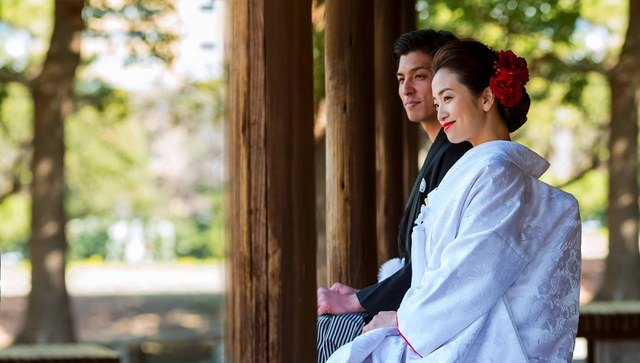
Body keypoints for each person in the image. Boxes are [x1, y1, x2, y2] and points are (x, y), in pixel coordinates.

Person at [326, 39, 582, 362]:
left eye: (448, 98)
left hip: (470, 340)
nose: (440, 110)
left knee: (331, 339)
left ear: (487, 97)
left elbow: (470, 274)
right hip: (448, 329)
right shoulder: (484, 170)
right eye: (437, 100)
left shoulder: (496, 175)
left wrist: (402, 322)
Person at [316, 30, 471, 362]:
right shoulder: (440, 151)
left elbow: (436, 265)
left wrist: (356, 302)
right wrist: (364, 295)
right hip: (416, 309)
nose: (406, 89)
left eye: (420, 76)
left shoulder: (456, 154)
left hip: (433, 326)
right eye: (401, 78)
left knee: (318, 332)